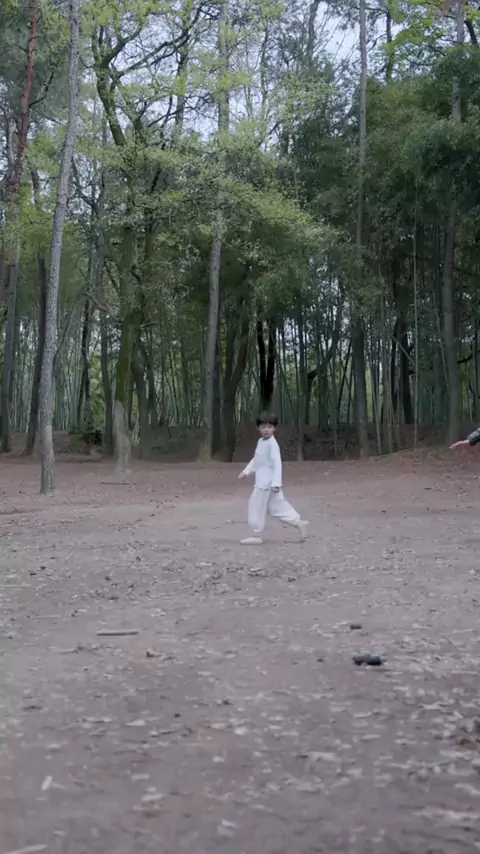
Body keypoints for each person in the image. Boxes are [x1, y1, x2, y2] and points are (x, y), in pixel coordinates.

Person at [238, 412, 308, 545]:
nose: (266, 430)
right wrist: (246, 471)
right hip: (264, 482)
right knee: (276, 507)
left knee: (256, 505)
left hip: (266, 484)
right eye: (263, 427)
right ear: (258, 428)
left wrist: (276, 483)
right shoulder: (261, 442)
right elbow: (257, 460)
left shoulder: (272, 444)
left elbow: (277, 464)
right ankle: (298, 522)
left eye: (269, 427)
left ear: (274, 428)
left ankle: (256, 534)